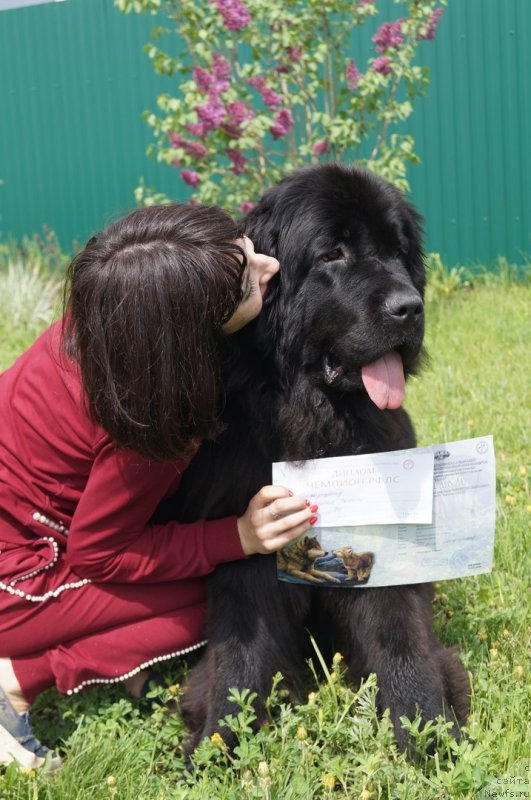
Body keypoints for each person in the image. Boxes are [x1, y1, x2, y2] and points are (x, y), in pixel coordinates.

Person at [0, 203, 319, 772]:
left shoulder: (119, 316)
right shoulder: (148, 417)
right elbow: (98, 553)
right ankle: (17, 679)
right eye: (248, 279)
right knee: (224, 595)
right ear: (193, 328)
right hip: (16, 574)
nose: (270, 266)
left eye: (244, 249)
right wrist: (238, 537)